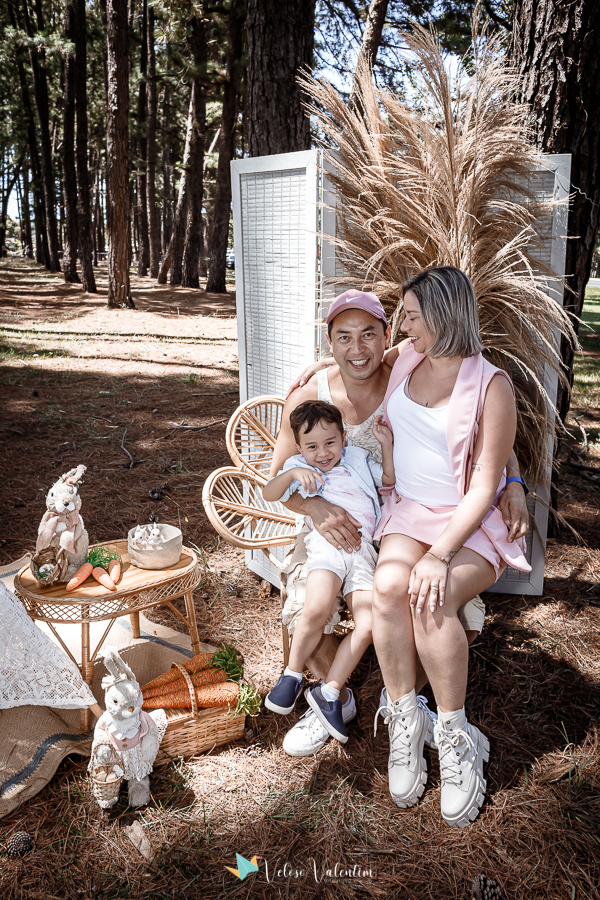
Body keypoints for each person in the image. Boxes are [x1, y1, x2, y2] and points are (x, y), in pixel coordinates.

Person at [269, 289, 530, 757]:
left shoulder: (408, 368)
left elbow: (487, 431)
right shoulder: (312, 395)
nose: (357, 349)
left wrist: (513, 482)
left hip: (402, 521)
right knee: (305, 605)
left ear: (388, 336)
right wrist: (315, 510)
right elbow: (276, 480)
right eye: (343, 337)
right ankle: (337, 696)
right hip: (334, 529)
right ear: (328, 343)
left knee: (448, 606)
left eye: (369, 334)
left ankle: (409, 703)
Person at [371, 266, 531, 828]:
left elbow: (486, 480)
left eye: (412, 315)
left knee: (431, 599)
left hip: (467, 521)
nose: (401, 324)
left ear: (443, 315)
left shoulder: (492, 385)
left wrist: (440, 553)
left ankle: (454, 731)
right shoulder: (407, 359)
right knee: (389, 586)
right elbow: (350, 367)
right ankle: (403, 721)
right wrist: (314, 377)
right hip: (408, 511)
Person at [263, 400, 393, 744]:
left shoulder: (357, 460)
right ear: (299, 447)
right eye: (312, 446)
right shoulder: (298, 466)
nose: (322, 453)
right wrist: (291, 473)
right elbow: (269, 492)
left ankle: (330, 692)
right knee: (317, 608)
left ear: (343, 437)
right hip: (327, 547)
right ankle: (291, 676)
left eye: (330, 443)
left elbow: (389, 480)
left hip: (362, 551)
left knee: (367, 623)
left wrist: (386, 445)